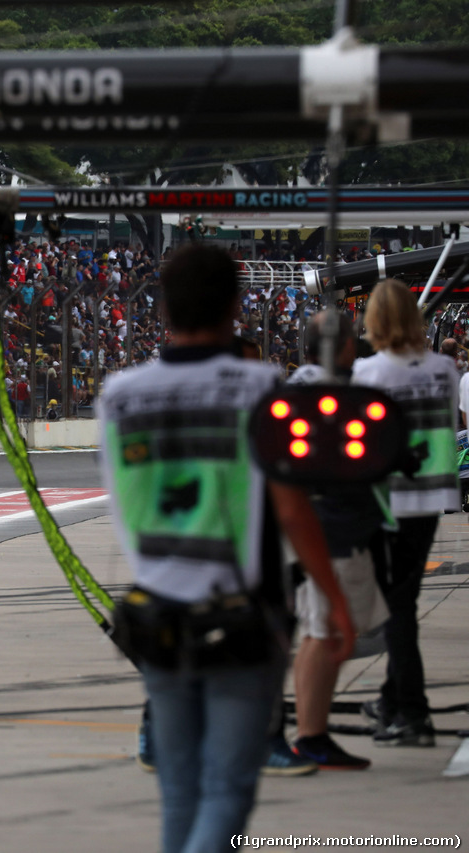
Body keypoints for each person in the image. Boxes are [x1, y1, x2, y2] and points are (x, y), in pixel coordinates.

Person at [99, 244, 354, 853]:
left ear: (162, 309)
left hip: (155, 610)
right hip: (242, 614)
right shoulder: (261, 385)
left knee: (180, 791)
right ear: (238, 307)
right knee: (227, 790)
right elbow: (292, 508)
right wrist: (333, 597)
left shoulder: (119, 393)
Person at [352, 278, 459, 747]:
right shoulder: (445, 368)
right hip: (431, 497)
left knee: (395, 609)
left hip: (387, 501)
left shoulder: (370, 374)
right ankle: (392, 698)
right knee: (404, 602)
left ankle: (412, 711)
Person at [287, 311, 390, 770]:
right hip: (334, 524)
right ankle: (311, 734)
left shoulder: (304, 383)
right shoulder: (326, 390)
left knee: (321, 630)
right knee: (324, 631)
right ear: (343, 346)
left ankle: (314, 732)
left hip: (330, 523)